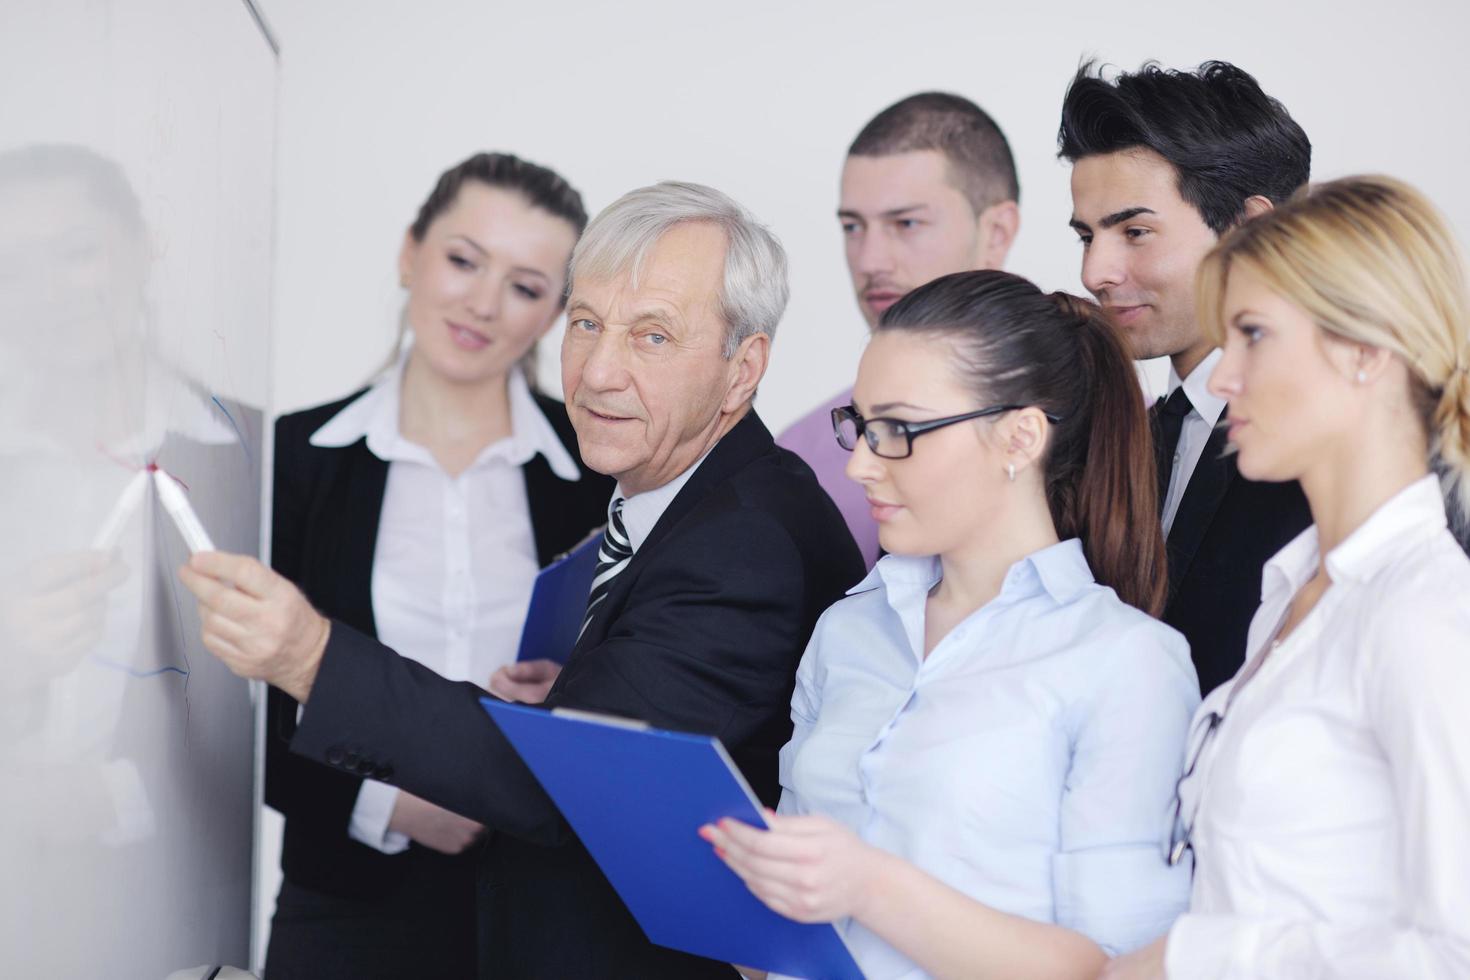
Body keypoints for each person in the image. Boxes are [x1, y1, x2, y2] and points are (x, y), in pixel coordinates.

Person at [180, 181, 864, 977]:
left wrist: (311, 658)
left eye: (653, 337)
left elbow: (578, 782)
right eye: (586, 324)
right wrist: (577, 696)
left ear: (742, 369)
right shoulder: (680, 487)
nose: (599, 371)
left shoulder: (745, 538)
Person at [705, 270, 1199, 980]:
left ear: (1019, 438)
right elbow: (786, 920)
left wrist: (867, 885)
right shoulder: (848, 631)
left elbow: (1117, 967)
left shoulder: (1126, 662)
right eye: (862, 426)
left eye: (899, 430)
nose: (860, 464)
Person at [1103, 176, 1470, 980]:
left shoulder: (1424, 615)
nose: (1224, 377)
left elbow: (1455, 949)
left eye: (1254, 335)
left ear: (1367, 350)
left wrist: (1197, 958)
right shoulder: (1293, 592)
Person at [261, 152, 613, 978]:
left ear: (556, 311)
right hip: (345, 907)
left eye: (526, 286)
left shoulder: (599, 469)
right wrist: (386, 804)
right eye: (463, 260)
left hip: (549, 904)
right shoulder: (297, 458)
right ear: (409, 251)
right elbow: (245, 709)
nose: (484, 304)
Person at [1060, 60, 1314, 694]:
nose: (1096, 272)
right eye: (1087, 237)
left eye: (1135, 232)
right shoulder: (1123, 435)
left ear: (1251, 230)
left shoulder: (1330, 450)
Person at [777, 92, 1020, 567]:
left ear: (996, 232)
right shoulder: (801, 457)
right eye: (852, 227)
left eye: (906, 223)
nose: (869, 261)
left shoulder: (1113, 426)